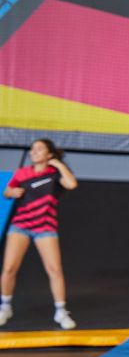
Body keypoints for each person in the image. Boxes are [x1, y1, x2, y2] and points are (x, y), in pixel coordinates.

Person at [1, 139, 79, 329]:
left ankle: (61, 312)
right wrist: (12, 192)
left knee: (54, 270)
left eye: (39, 149)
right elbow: (6, 191)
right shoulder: (22, 173)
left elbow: (71, 184)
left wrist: (59, 164)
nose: (34, 152)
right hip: (20, 226)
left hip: (45, 227)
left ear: (49, 154)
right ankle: (5, 308)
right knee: (9, 269)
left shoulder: (54, 174)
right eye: (33, 149)